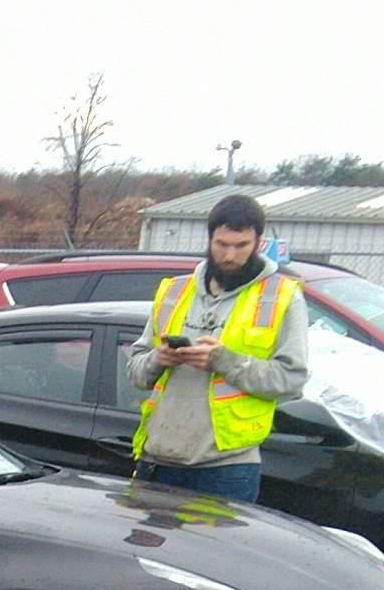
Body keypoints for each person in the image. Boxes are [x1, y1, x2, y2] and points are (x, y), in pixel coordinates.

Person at [124, 193, 306, 503]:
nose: (230, 256)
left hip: (226, 470)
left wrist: (223, 360)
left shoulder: (281, 297)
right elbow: (137, 374)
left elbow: (291, 381)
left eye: (241, 246)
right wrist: (159, 358)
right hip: (158, 460)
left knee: (213, 554)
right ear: (209, 239)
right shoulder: (175, 291)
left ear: (258, 243)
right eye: (221, 244)